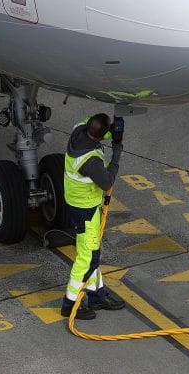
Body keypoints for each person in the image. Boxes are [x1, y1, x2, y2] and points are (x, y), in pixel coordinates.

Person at [61, 113, 125, 320]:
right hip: (85, 209)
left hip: (81, 204)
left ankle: (97, 295)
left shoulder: (78, 129)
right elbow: (107, 182)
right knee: (88, 258)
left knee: (91, 249)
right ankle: (70, 304)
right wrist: (116, 153)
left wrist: (111, 126)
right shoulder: (91, 160)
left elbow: (89, 119)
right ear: (103, 134)